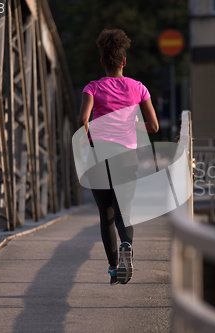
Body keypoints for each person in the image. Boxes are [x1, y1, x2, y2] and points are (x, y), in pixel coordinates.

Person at [77, 29, 159, 285]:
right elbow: (154, 126)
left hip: (99, 156)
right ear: (124, 61)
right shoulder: (139, 88)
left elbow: (82, 120)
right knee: (124, 213)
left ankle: (114, 268)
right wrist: (134, 126)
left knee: (106, 214)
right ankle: (127, 245)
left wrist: (90, 140)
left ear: (102, 62)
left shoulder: (93, 87)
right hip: (126, 158)